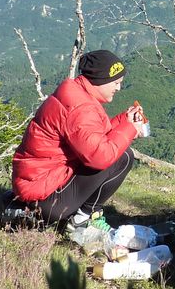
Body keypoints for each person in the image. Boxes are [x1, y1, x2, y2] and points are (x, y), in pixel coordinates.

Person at [8, 49, 145, 232]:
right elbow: (99, 156)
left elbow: (92, 136)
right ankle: (81, 220)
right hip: (44, 195)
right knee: (123, 157)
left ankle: (81, 215)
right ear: (100, 81)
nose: (119, 88)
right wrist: (130, 129)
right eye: (116, 82)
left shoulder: (76, 93)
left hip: (41, 181)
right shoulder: (80, 108)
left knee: (119, 154)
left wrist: (124, 121)